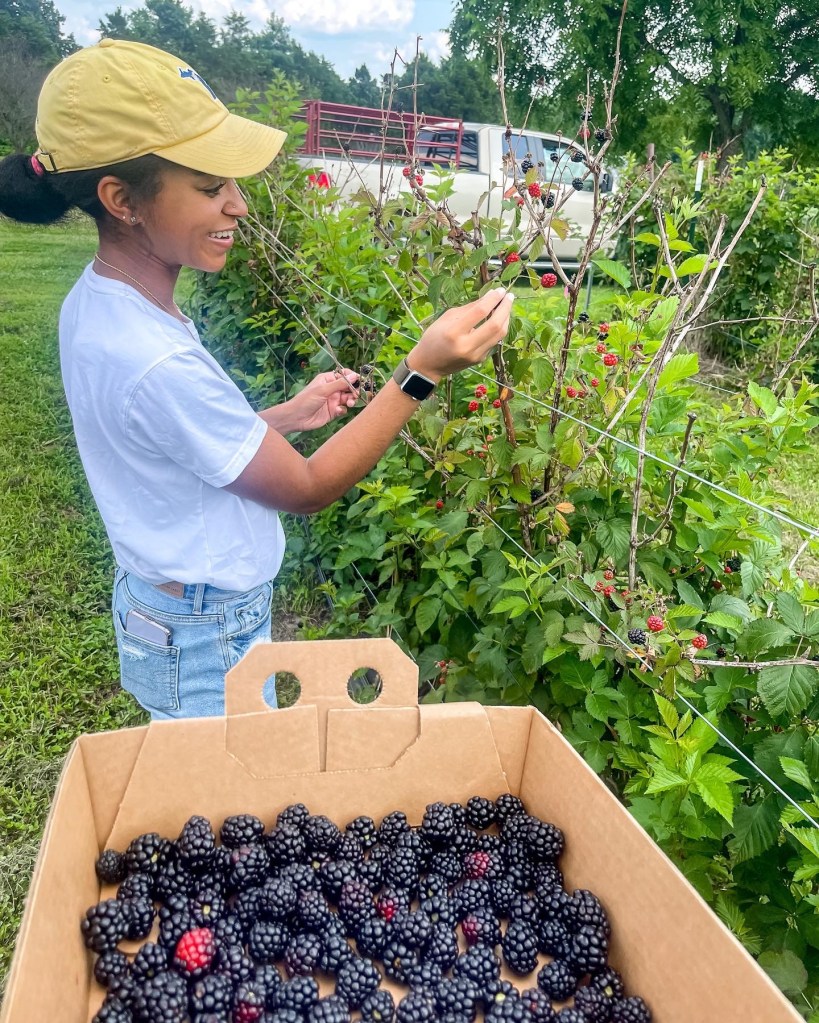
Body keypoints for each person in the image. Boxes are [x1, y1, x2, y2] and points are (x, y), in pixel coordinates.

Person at [0, 39, 514, 720]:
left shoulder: (102, 303)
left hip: (174, 607)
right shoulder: (154, 357)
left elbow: (170, 443)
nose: (238, 206)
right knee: (224, 785)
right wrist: (419, 374)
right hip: (204, 632)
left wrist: (286, 417)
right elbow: (306, 488)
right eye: (210, 187)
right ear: (122, 199)